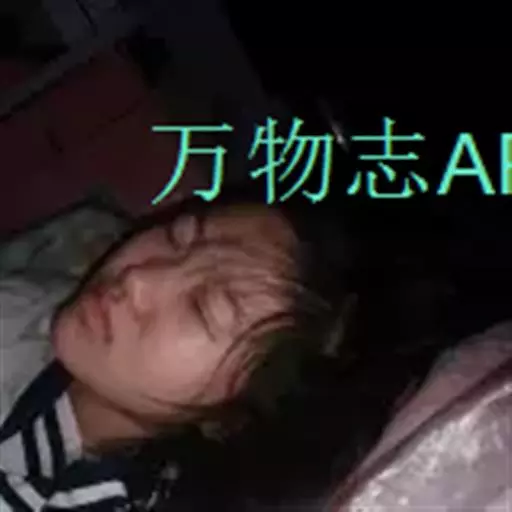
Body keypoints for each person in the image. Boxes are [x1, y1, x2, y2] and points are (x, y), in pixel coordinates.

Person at [0, 183, 349, 511]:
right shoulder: (49, 287)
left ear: (229, 419)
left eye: (202, 309)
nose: (137, 278)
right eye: (176, 237)